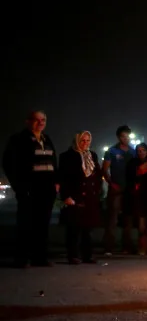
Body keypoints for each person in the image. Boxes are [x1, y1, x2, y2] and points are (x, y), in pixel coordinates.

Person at [2, 111, 59, 267]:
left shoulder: (47, 139)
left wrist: (56, 183)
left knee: (43, 224)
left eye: (43, 120)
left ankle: (40, 257)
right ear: (28, 121)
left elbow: (54, 162)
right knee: (26, 224)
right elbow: (8, 163)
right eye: (36, 120)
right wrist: (19, 186)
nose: (40, 122)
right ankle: (21, 259)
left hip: (47, 190)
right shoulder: (18, 140)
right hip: (29, 189)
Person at [58, 131, 103, 264]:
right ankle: (73, 255)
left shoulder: (92, 155)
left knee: (87, 229)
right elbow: (63, 177)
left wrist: (98, 190)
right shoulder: (66, 156)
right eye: (82, 140)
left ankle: (87, 255)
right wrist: (66, 195)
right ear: (77, 141)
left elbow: (97, 173)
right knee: (74, 228)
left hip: (90, 196)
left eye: (88, 140)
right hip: (75, 195)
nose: (85, 143)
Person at [101, 125, 135, 254]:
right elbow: (104, 170)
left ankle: (126, 247)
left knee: (128, 219)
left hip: (129, 190)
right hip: (116, 189)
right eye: (123, 136)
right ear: (118, 137)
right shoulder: (111, 151)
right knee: (112, 219)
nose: (125, 138)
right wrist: (111, 183)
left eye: (127, 136)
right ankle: (109, 247)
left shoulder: (133, 152)